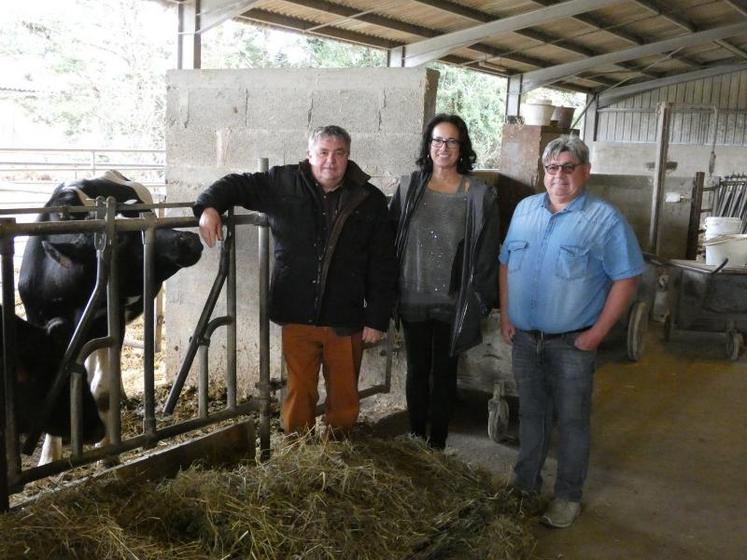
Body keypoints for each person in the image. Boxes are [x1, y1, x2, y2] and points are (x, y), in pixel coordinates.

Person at [193, 125, 397, 436]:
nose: (331, 161)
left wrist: (377, 316)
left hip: (346, 316)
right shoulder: (283, 183)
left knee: (344, 396)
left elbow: (383, 261)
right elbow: (235, 184)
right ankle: (296, 450)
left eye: (339, 153)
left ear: (348, 156)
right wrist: (208, 207)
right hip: (297, 312)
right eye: (323, 153)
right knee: (299, 392)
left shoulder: (369, 199)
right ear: (309, 155)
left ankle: (338, 449)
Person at [499, 135, 644, 528]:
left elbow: (626, 279)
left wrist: (597, 333)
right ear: (543, 172)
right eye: (551, 168)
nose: (558, 176)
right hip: (526, 339)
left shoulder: (605, 219)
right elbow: (505, 262)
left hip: (573, 343)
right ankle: (525, 484)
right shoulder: (525, 210)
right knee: (531, 415)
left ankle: (567, 496)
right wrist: (506, 315)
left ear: (585, 172)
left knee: (573, 420)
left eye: (568, 168)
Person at [389, 114, 501, 450]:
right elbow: (389, 236)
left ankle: (436, 444)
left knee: (444, 374)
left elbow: (488, 250)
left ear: (462, 147)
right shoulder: (410, 187)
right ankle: (415, 439)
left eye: (452, 141)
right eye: (437, 140)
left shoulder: (479, 195)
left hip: (454, 300)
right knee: (417, 370)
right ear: (428, 145)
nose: (444, 147)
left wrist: (480, 298)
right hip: (413, 296)